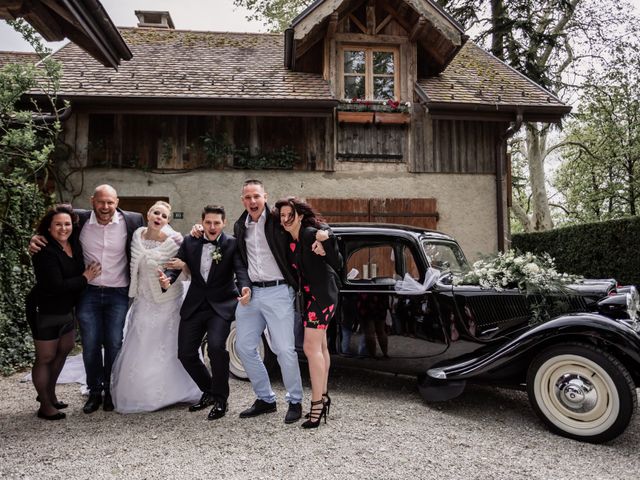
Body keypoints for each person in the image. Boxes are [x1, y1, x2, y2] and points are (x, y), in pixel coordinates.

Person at [29, 185, 144, 413]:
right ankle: (94, 392)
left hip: (118, 293)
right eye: (101, 201)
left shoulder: (133, 220)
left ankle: (112, 391)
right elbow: (55, 222)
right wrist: (37, 237)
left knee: (114, 344)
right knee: (90, 345)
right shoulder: (78, 219)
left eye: (110, 202)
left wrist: (196, 231)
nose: (105, 207)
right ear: (92, 201)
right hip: (87, 292)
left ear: (117, 202)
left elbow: (158, 234)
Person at [160, 205, 251, 420]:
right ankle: (209, 390)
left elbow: (240, 270)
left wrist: (245, 287)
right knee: (185, 353)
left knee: (217, 348)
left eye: (216, 223)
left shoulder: (231, 243)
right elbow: (175, 265)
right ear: (202, 221)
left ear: (224, 223)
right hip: (195, 304)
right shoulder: (190, 241)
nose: (212, 226)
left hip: (221, 305)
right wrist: (168, 279)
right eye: (208, 222)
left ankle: (221, 399)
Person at [110, 201, 202, 413]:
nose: (159, 217)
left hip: (167, 302)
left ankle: (175, 392)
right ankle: (140, 393)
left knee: (167, 346)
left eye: (164, 215)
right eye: (156, 213)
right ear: (148, 214)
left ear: (167, 221)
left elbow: (187, 271)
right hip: (142, 301)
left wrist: (183, 265)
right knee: (141, 344)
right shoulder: (136, 236)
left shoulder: (175, 241)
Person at [233, 180, 306, 424]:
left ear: (265, 196)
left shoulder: (278, 221)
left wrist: (321, 237)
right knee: (243, 347)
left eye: (256, 196)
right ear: (242, 200)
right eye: (247, 197)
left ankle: (295, 400)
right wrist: (243, 285)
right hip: (251, 293)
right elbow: (241, 262)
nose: (252, 201)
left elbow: (304, 226)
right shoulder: (239, 225)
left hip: (278, 291)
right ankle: (265, 399)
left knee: (284, 349)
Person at [26, 204, 101, 420]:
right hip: (46, 309)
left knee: (65, 348)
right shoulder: (44, 251)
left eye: (67, 224)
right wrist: (85, 278)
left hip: (67, 308)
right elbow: (55, 286)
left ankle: (49, 394)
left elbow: (83, 213)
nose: (63, 228)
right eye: (57, 224)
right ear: (48, 228)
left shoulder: (73, 243)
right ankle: (45, 406)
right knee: (46, 356)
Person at [274, 197, 341, 428]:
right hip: (311, 297)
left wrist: (326, 241)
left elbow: (337, 261)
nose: (284, 219)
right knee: (320, 347)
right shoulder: (288, 238)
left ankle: (316, 406)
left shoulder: (310, 233)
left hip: (322, 296)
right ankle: (322, 397)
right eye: (281, 216)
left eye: (289, 215)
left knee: (311, 348)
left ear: (300, 216)